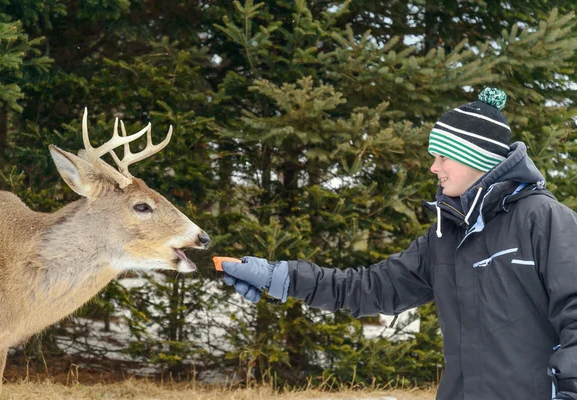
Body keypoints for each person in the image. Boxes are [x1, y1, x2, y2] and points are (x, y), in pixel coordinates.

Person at [220, 88, 577, 400]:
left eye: (442, 157)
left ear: (476, 160)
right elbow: (368, 288)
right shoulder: (445, 236)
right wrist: (278, 277)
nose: (433, 168)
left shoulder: (543, 220)